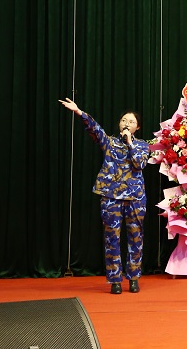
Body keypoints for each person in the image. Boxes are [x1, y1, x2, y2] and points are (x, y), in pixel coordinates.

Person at [59, 98, 148, 294]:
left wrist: (130, 143)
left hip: (135, 198)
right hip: (111, 196)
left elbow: (139, 164)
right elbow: (95, 128)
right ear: (119, 124)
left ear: (137, 127)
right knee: (111, 239)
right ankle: (115, 280)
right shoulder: (109, 142)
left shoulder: (142, 146)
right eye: (124, 120)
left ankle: (133, 278)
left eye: (131, 121)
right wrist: (79, 112)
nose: (126, 124)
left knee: (136, 238)